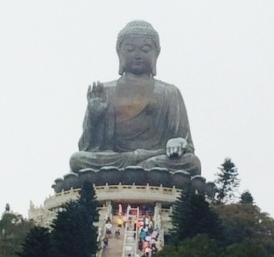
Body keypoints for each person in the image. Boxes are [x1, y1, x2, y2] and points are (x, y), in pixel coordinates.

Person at [70, 20, 201, 176]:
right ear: (119, 53)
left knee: (191, 162)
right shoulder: (104, 92)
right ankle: (139, 168)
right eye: (130, 50)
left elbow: (185, 143)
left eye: (145, 50)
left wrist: (178, 141)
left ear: (156, 53)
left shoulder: (169, 92)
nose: (137, 56)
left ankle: (136, 169)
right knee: (77, 160)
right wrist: (94, 116)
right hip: (117, 160)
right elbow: (86, 148)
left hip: (155, 159)